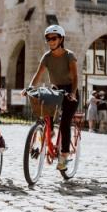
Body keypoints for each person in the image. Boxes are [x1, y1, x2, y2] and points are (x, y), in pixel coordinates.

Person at [23, 25, 78, 171]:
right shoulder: (47, 57)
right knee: (45, 114)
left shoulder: (69, 55)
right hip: (55, 89)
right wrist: (29, 87)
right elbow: (38, 74)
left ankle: (64, 156)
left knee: (65, 123)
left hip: (69, 90)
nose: (51, 41)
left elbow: (75, 77)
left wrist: (72, 93)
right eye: (48, 39)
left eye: (54, 38)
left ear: (61, 39)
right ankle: (49, 132)